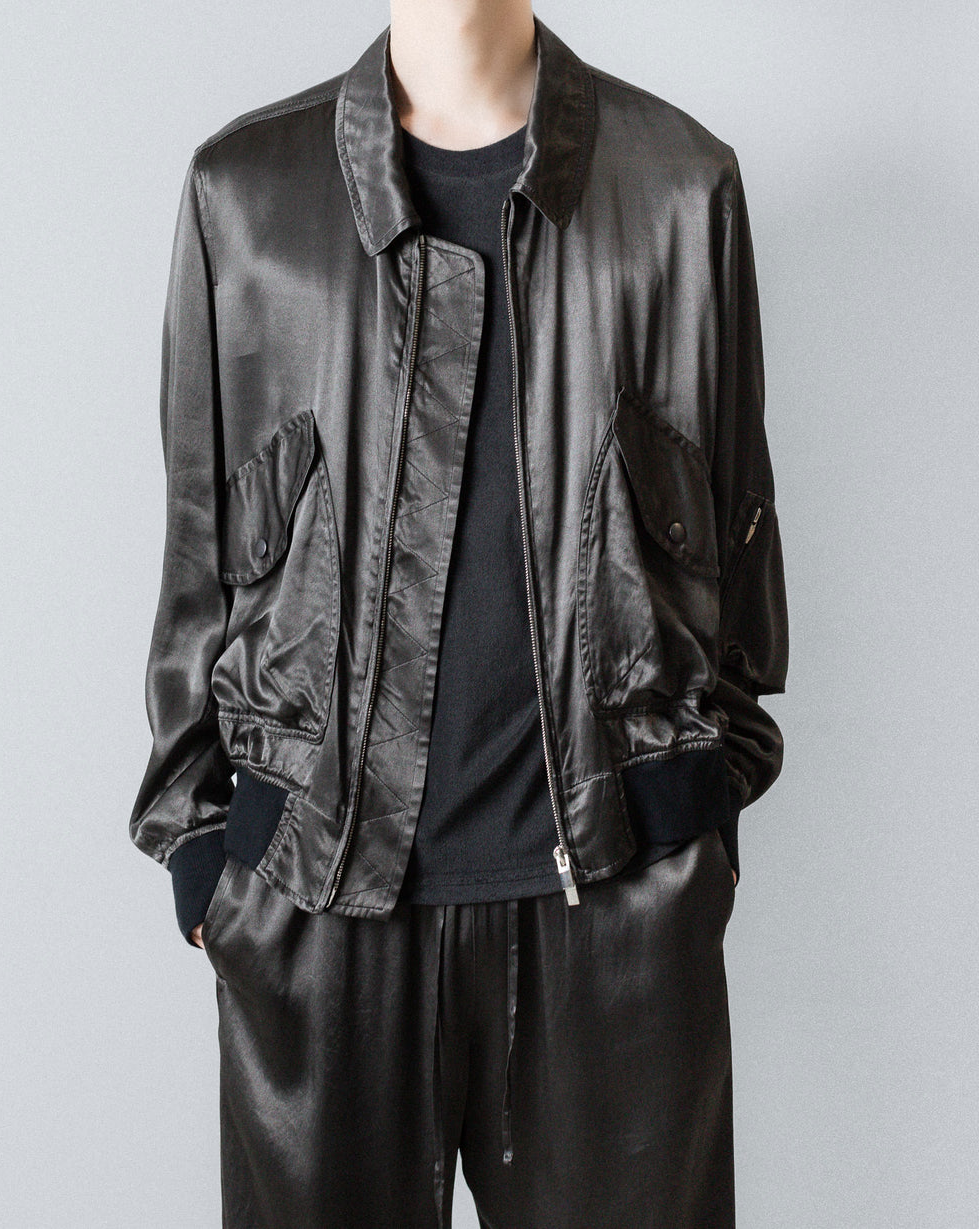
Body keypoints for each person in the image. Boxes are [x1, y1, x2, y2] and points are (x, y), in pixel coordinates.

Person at [129, 2, 789, 1225]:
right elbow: (200, 548)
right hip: (318, 908)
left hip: (617, 909)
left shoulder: (679, 183)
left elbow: (737, 540)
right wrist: (199, 847)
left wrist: (701, 824)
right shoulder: (248, 192)